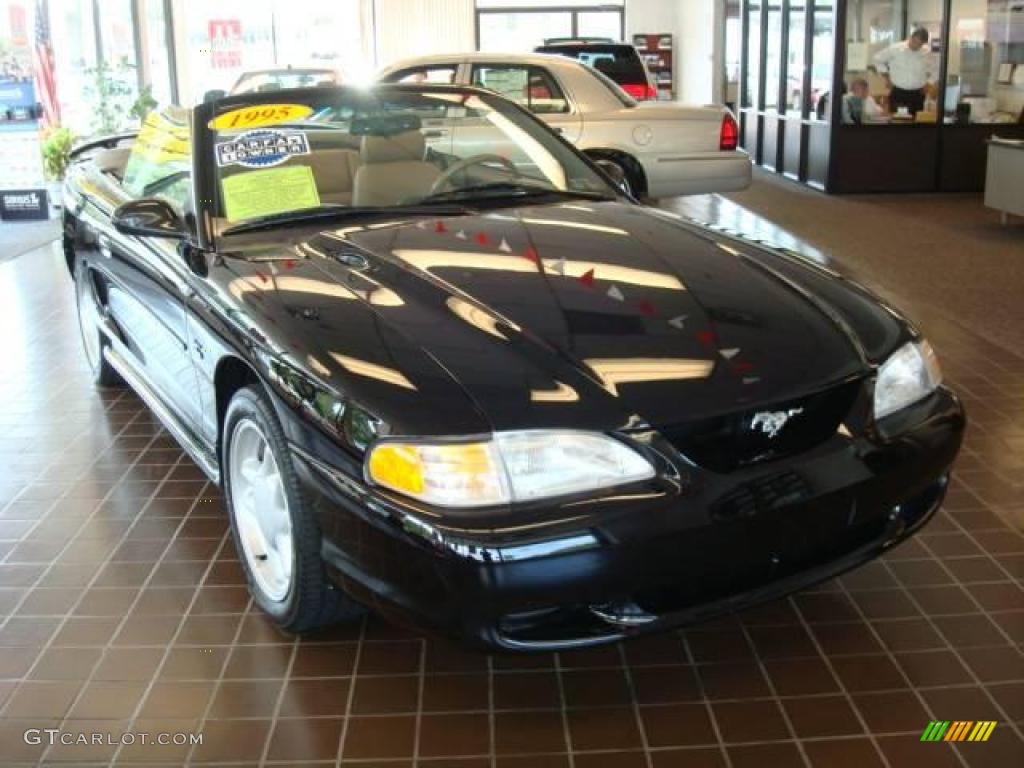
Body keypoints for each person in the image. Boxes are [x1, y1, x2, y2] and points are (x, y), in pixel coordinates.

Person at [874, 28, 936, 116]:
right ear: (911, 37)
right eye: (914, 42)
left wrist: (929, 83)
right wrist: (887, 78)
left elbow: (935, 68)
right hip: (899, 92)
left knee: (916, 124)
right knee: (898, 122)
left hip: (918, 94)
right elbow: (877, 59)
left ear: (923, 43)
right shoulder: (896, 48)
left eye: (919, 44)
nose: (916, 46)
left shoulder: (926, 51)